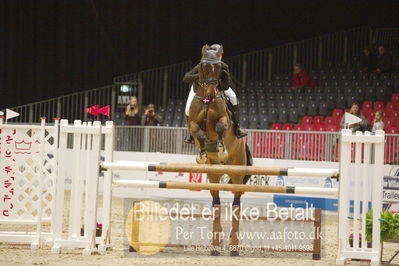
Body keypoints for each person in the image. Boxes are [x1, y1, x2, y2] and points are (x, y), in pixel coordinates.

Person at [183, 44, 247, 144]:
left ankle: (237, 127)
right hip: (198, 89)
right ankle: (190, 134)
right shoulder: (201, 65)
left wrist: (218, 81)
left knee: (233, 97)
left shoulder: (223, 66)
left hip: (218, 88)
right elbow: (186, 77)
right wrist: (199, 75)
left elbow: (226, 85)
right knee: (187, 109)